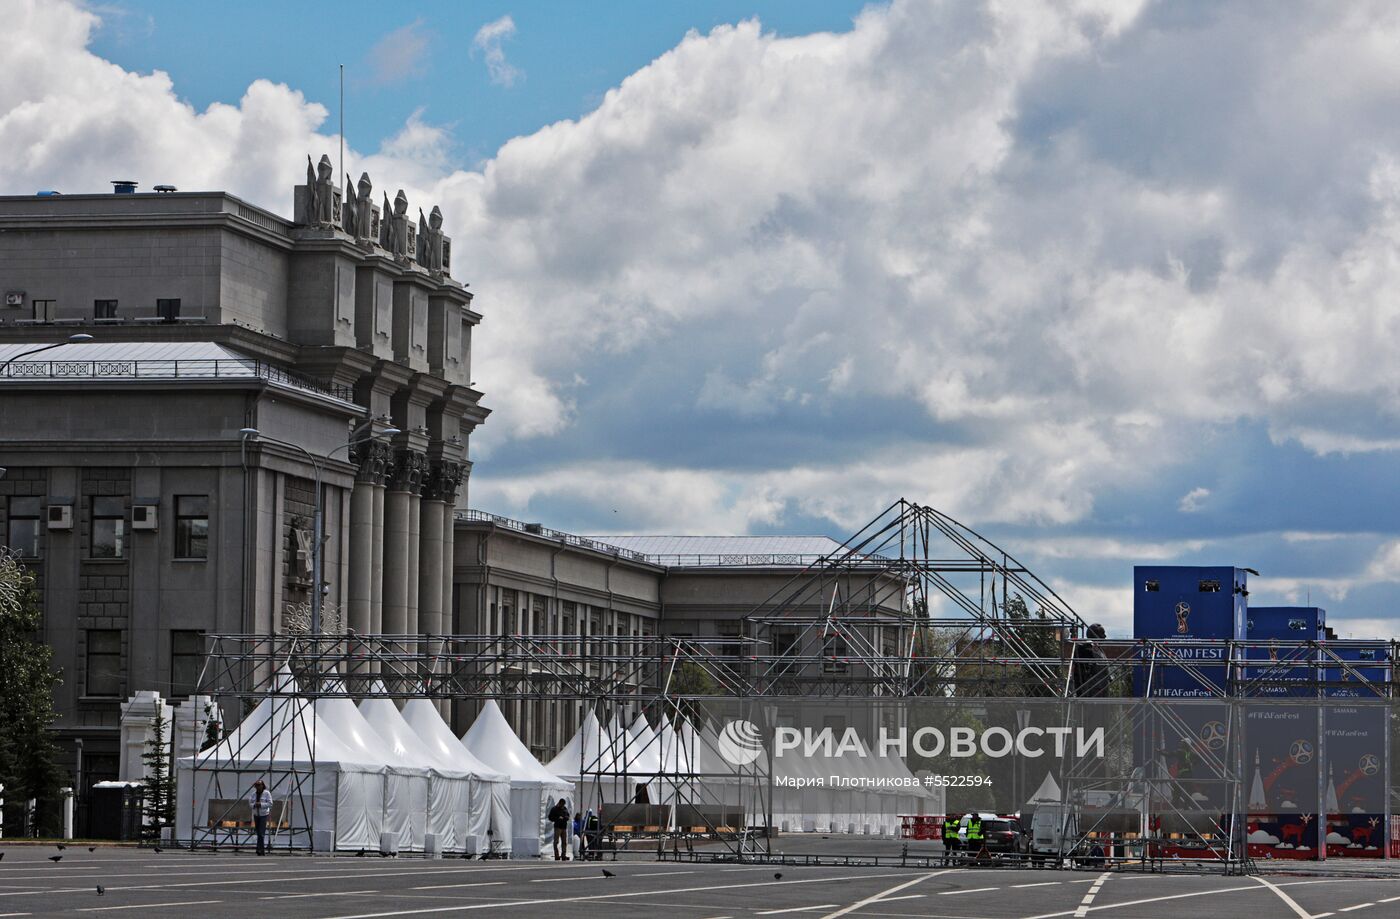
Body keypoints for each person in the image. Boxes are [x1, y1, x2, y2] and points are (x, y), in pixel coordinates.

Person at [247, 779, 273, 856]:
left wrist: (261, 804)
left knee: (261, 833)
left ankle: (261, 850)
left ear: (262, 785)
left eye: (259, 785)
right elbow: (250, 803)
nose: (258, 787)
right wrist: (254, 805)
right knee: (258, 833)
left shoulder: (267, 793)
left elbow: (270, 804)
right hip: (256, 815)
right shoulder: (253, 794)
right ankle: (259, 849)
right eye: (256, 785)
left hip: (263, 815)